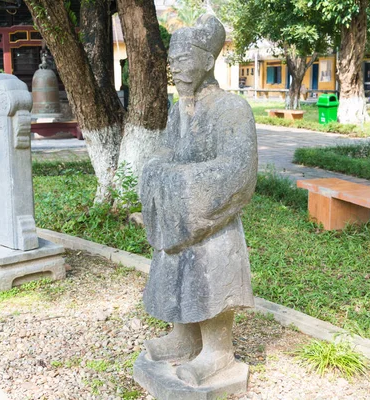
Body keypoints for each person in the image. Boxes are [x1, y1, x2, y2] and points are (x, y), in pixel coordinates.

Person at [138, 14, 258, 385]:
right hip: (180, 216)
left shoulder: (232, 109)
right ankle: (184, 336)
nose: (175, 67)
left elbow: (239, 170)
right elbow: (167, 154)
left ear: (207, 60)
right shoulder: (179, 111)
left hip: (214, 219)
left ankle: (218, 351)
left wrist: (179, 184)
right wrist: (159, 173)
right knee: (175, 266)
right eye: (172, 61)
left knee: (211, 272)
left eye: (184, 58)